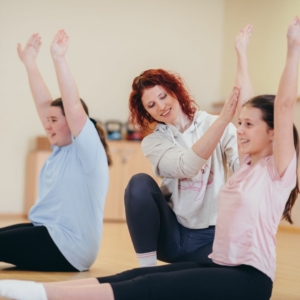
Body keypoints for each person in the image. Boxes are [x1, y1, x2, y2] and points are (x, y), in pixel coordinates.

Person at [0, 17, 299, 300]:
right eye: (240, 123)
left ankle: (43, 295)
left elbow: (283, 106)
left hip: (248, 278)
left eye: (249, 125)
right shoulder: (247, 164)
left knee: (149, 286)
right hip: (218, 261)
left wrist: (293, 47)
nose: (240, 130)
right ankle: (37, 289)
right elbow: (243, 105)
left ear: (274, 133)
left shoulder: (275, 170)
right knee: (134, 275)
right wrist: (241, 55)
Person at [0, 30, 111, 272]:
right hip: (48, 233)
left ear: (71, 123)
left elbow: (71, 105)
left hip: (70, 246)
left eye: (53, 120)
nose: (46, 125)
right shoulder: (61, 149)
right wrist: (30, 63)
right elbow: (44, 104)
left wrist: (59, 59)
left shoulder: (87, 152)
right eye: (47, 120)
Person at [124, 56, 240, 266]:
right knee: (138, 183)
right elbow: (187, 166)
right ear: (146, 112)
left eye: (163, 96)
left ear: (175, 91)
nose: (161, 106)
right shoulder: (153, 142)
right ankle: (147, 272)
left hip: (213, 239)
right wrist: (224, 120)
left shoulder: (216, 125)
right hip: (172, 237)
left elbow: (242, 168)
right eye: (151, 105)